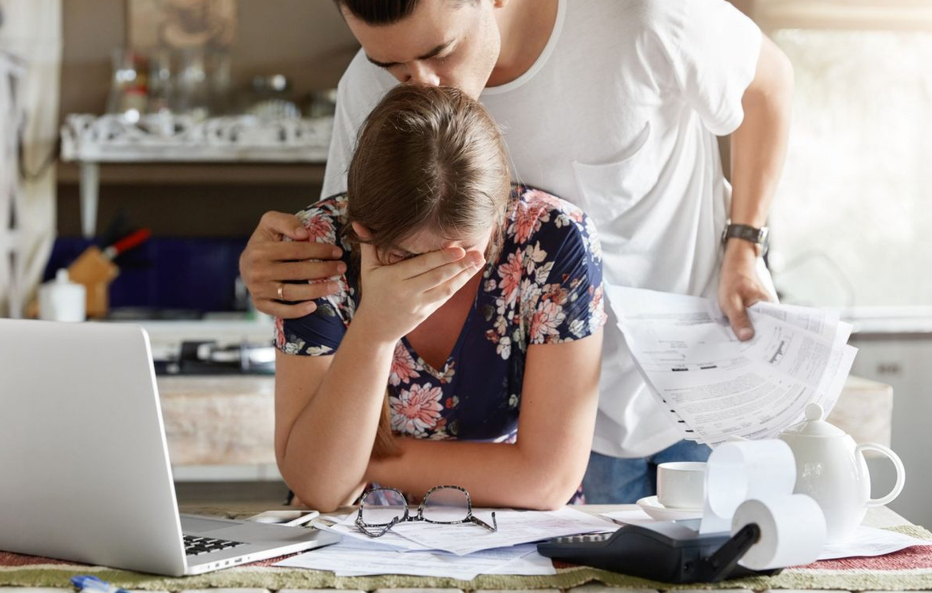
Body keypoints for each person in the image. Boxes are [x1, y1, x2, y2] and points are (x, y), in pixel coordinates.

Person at [243, 0, 794, 503]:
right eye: (391, 66)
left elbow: (769, 85)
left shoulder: (642, 18)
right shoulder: (369, 85)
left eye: (439, 52)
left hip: (685, 378)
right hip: (531, 416)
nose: (421, 86)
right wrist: (272, 264)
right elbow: (352, 241)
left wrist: (745, 243)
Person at [275, 84, 605, 511]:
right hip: (356, 537)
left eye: (463, 256)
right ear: (361, 231)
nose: (437, 278)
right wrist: (375, 331)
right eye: (407, 257)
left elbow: (546, 481)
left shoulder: (554, 240)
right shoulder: (317, 247)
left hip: (514, 533)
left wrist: (358, 463)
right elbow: (320, 489)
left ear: (498, 218)